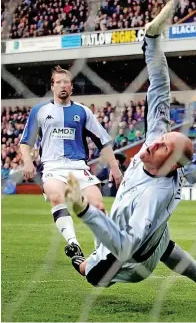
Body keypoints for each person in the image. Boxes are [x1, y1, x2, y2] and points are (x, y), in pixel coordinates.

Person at [64, 0, 196, 301]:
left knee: (89, 271)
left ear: (168, 164)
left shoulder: (152, 198)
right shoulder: (158, 142)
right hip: (153, 236)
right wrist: (153, 42)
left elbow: (126, 244)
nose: (153, 142)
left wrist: (85, 211)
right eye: (163, 137)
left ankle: (78, 258)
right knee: (167, 246)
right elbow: (160, 88)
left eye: (163, 146)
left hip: (132, 259)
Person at [19, 66, 123, 258]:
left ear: (72, 87)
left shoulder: (83, 112)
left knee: (98, 206)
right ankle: (73, 244)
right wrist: (27, 161)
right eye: (58, 82)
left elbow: (103, 141)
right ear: (52, 87)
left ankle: (100, 251)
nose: (62, 85)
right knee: (56, 196)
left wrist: (115, 167)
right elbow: (26, 143)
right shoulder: (40, 111)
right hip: (53, 167)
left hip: (79, 168)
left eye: (66, 82)